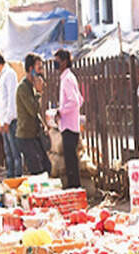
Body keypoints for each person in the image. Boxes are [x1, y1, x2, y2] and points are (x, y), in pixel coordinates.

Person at [15, 53, 50, 175]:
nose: (41, 71)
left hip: (34, 135)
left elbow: (34, 113)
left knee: (47, 167)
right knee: (37, 172)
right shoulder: (23, 88)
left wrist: (42, 123)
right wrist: (39, 92)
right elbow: (33, 110)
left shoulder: (31, 86)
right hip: (26, 136)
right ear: (31, 69)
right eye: (39, 68)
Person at [0, 50, 21, 178]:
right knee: (8, 153)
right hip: (4, 121)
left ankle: (17, 179)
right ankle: (10, 178)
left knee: (15, 153)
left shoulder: (10, 74)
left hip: (10, 121)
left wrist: (6, 121)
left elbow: (12, 100)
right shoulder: (3, 76)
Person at [55, 49, 83, 188]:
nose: (55, 64)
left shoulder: (67, 79)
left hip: (69, 126)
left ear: (64, 61)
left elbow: (75, 102)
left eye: (57, 61)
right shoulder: (69, 77)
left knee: (71, 161)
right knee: (71, 159)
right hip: (71, 124)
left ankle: (75, 188)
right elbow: (80, 99)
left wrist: (61, 111)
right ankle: (75, 187)